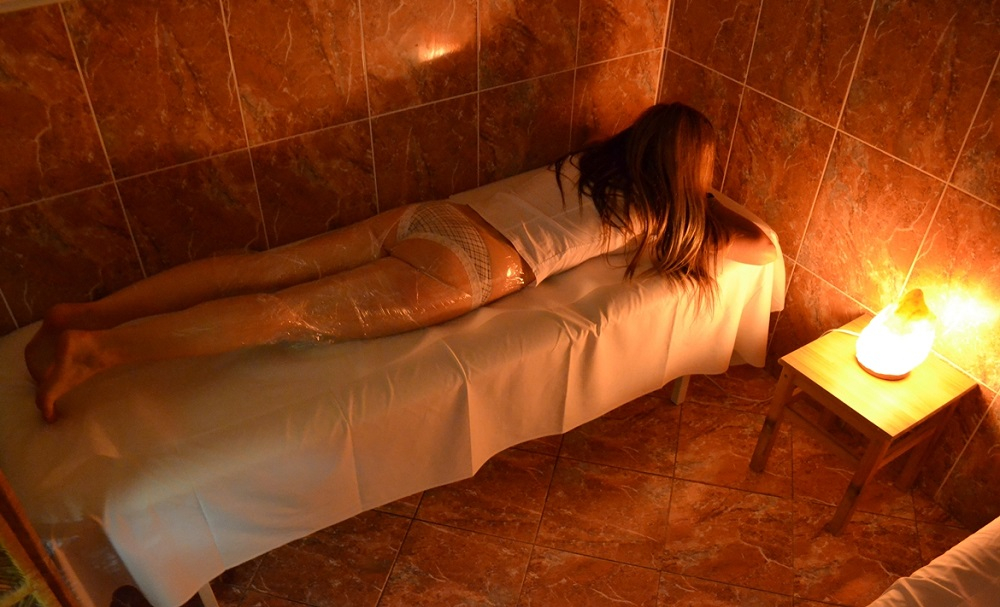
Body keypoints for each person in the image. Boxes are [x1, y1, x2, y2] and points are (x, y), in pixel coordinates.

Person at [25, 102, 776, 422]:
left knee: (263, 267)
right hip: (475, 266)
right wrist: (697, 197)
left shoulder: (593, 161)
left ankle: (91, 312)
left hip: (435, 217)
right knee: (282, 316)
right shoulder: (656, 212)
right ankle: (97, 351)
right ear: (685, 172)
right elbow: (760, 247)